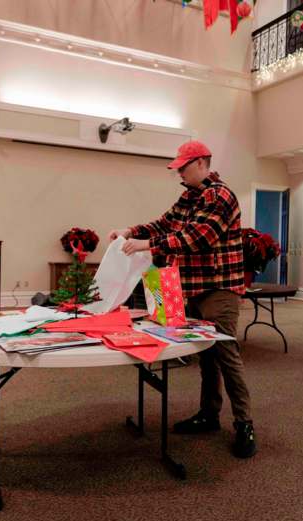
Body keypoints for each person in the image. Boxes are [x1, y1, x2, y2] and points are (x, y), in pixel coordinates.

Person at [108, 140, 256, 459]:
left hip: (219, 288)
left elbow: (197, 238)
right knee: (206, 356)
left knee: (226, 355)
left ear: (202, 163)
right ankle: (209, 414)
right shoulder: (189, 195)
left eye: (183, 168)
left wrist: (148, 245)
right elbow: (164, 223)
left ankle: (244, 423)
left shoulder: (221, 195)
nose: (179, 174)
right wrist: (129, 229)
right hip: (193, 288)